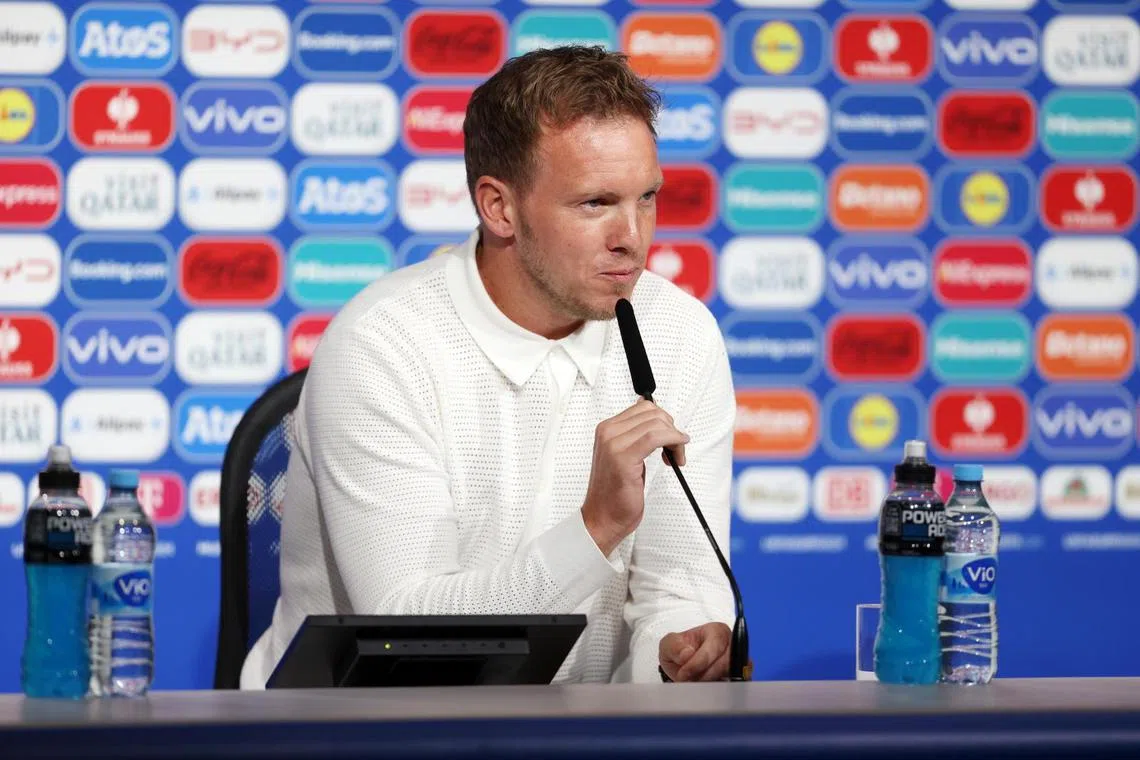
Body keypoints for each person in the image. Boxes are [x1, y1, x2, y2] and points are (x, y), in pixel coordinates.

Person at [240, 45, 737, 688]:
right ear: (499, 207)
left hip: (582, 738)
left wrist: (679, 654)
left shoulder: (679, 334)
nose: (633, 236)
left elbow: (681, 585)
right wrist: (595, 530)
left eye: (646, 198)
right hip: (357, 733)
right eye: (594, 204)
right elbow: (409, 633)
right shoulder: (383, 346)